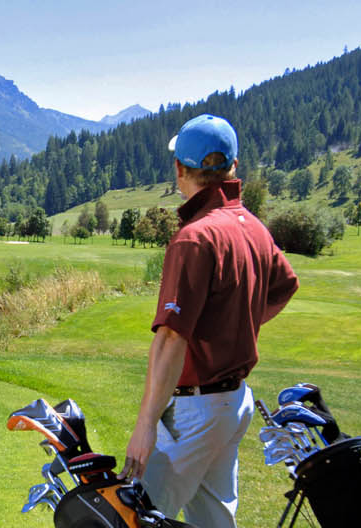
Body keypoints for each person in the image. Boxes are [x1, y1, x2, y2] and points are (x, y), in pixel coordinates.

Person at [120, 114, 299, 527]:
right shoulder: (251, 227)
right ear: (233, 168)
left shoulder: (195, 237)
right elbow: (284, 286)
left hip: (194, 414)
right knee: (213, 522)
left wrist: (145, 425)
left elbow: (170, 339)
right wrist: (238, 326)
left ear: (181, 170)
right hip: (233, 404)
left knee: (133, 517)